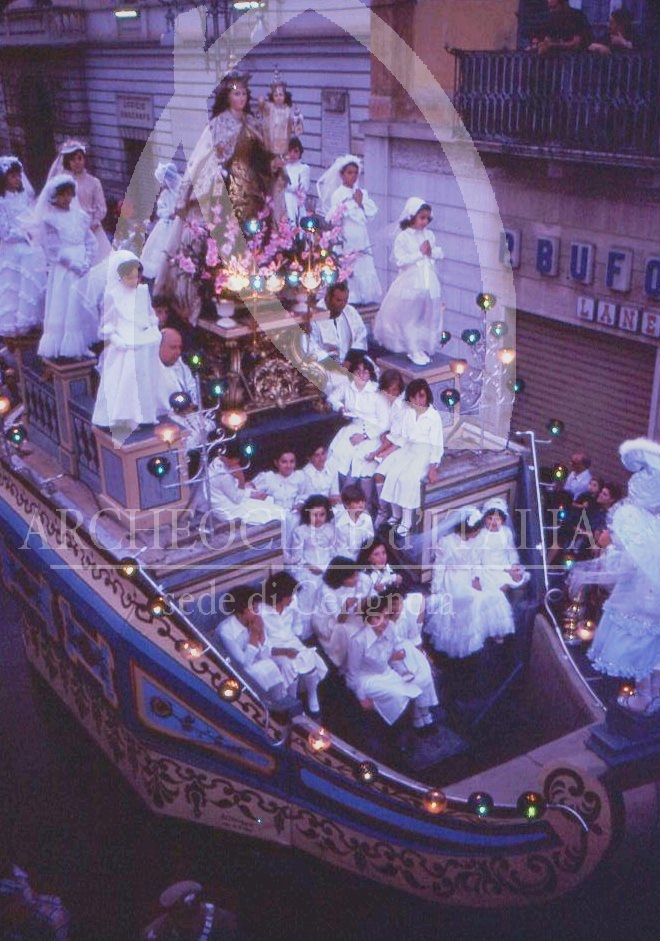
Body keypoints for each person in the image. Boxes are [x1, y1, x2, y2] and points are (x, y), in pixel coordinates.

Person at [570, 438, 660, 714]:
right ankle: (650, 697)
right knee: (650, 646)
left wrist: (592, 572)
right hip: (647, 594)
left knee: (644, 643)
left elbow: (626, 563)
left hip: (643, 597)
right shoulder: (649, 525)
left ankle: (647, 697)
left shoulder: (639, 525)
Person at [346, 594, 437, 732]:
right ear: (368, 618)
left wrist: (403, 671)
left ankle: (415, 722)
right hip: (367, 678)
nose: (384, 622)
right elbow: (352, 673)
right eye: (378, 617)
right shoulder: (358, 641)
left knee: (413, 684)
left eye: (386, 617)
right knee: (398, 696)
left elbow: (394, 654)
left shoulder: (391, 629)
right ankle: (396, 732)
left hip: (387, 672)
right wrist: (361, 698)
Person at [92, 251, 162, 429]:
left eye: (137, 278)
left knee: (142, 379)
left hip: (142, 340)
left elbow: (149, 314)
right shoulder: (112, 296)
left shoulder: (142, 292)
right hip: (123, 344)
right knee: (125, 381)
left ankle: (144, 415)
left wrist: (154, 327)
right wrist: (116, 340)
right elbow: (107, 326)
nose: (135, 281)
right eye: (130, 278)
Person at [373, 197, 444, 366]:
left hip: (428, 279)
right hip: (411, 281)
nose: (425, 222)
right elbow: (400, 260)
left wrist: (430, 252)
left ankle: (422, 345)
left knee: (428, 314)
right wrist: (420, 253)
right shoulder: (404, 237)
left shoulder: (429, 234)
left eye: (427, 218)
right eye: (421, 218)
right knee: (409, 315)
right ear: (412, 216)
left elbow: (438, 253)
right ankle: (412, 347)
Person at [35, 174, 97, 359]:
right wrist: (73, 265)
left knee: (81, 304)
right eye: (62, 195)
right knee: (66, 303)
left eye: (70, 194)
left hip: (82, 264)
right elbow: (53, 250)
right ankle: (65, 344)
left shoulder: (81, 216)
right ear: (54, 197)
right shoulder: (50, 220)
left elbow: (90, 241)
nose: (67, 199)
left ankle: (83, 342)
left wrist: (86, 261)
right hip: (65, 268)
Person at [376, 378, 444, 537]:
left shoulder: (433, 417)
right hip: (408, 448)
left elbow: (437, 445)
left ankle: (407, 521)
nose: (418, 400)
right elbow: (401, 437)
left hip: (425, 452)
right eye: (414, 397)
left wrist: (433, 468)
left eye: (421, 396)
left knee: (407, 478)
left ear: (427, 396)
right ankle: (396, 514)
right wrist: (385, 452)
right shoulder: (408, 412)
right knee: (392, 473)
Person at [316, 154, 382, 305]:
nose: (353, 176)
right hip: (347, 233)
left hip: (360, 233)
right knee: (350, 261)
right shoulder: (339, 194)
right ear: (342, 174)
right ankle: (350, 294)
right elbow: (334, 217)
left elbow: (370, 213)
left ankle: (364, 294)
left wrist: (360, 203)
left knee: (362, 260)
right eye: (349, 173)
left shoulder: (361, 193)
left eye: (355, 173)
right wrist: (345, 206)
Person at [259, 571, 328, 715]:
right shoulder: (261, 611)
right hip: (274, 648)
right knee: (288, 665)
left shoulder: (293, 601)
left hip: (291, 640)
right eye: (289, 596)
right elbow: (263, 644)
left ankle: (312, 695)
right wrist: (284, 651)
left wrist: (296, 639)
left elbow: (297, 623)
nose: (292, 598)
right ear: (277, 597)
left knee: (309, 657)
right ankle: (292, 699)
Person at [326, 355, 390, 488]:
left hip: (373, 433)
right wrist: (341, 407)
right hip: (353, 427)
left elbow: (384, 423)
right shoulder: (347, 386)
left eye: (365, 371)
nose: (361, 374)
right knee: (339, 453)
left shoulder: (377, 392)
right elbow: (331, 398)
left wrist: (365, 436)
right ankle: (335, 493)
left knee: (358, 459)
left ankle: (352, 496)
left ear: (370, 374)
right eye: (357, 371)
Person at [0, 155, 46, 336]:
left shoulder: (23, 197)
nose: (17, 179)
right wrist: (22, 234)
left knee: (36, 255)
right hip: (11, 245)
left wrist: (33, 230)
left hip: (27, 240)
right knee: (26, 257)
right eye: (12, 176)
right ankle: (15, 321)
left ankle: (33, 315)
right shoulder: (2, 202)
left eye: (18, 176)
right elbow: (4, 231)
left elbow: (31, 216)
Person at [215, 585, 286, 700]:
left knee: (281, 662)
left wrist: (261, 634)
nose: (257, 613)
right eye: (252, 609)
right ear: (239, 613)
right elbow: (243, 664)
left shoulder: (254, 621)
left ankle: (282, 700)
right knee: (266, 666)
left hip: (253, 662)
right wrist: (253, 636)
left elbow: (264, 654)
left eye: (257, 608)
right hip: (231, 671)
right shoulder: (226, 631)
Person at [47, 140, 111, 262]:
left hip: (92, 228)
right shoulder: (63, 183)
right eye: (73, 159)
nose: (77, 162)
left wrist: (92, 224)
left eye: (79, 158)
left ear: (84, 159)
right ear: (67, 161)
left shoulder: (94, 182)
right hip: (69, 230)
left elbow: (101, 208)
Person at [311, 555, 370, 670]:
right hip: (326, 622)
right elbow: (340, 619)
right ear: (341, 578)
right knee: (349, 630)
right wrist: (346, 606)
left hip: (345, 613)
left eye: (356, 575)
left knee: (365, 622)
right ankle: (347, 660)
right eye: (352, 577)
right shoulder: (326, 592)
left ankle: (363, 654)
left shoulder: (351, 582)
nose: (356, 579)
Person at [208, 440, 285, 526]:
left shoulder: (218, 461)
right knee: (272, 513)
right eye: (235, 460)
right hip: (229, 510)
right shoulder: (223, 475)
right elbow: (237, 499)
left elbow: (232, 490)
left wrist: (252, 494)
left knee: (268, 502)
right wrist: (241, 479)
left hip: (231, 500)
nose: (237, 463)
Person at [287, 494, 337, 621]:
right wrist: (309, 566)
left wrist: (328, 567)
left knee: (328, 592)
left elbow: (333, 552)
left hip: (327, 566)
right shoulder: (301, 531)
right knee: (310, 589)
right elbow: (297, 555)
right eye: (315, 515)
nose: (318, 518)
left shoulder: (331, 529)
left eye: (322, 515)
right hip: (308, 567)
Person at [141, 879, 237, 940]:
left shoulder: (223, 921)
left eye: (191, 918)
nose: (185, 925)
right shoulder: (155, 933)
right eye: (181, 919)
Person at [140, 162, 182, 280]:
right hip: (166, 224)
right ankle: (160, 271)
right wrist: (169, 214)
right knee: (161, 246)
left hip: (178, 224)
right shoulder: (164, 194)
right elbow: (160, 210)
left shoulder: (180, 192)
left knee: (176, 246)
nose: (163, 184)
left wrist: (178, 213)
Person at [310, 282, 368, 366]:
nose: (343, 305)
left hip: (349, 361)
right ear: (328, 298)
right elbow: (312, 348)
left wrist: (348, 361)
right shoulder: (315, 316)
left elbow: (361, 337)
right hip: (325, 365)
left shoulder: (350, 311)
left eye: (345, 301)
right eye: (338, 300)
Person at [258, 71, 304, 159]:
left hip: (284, 145)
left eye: (281, 95)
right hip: (270, 144)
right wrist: (261, 100)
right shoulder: (270, 107)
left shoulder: (288, 109)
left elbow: (296, 126)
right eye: (276, 95)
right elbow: (261, 104)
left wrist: (297, 118)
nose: (278, 97)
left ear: (285, 96)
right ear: (272, 97)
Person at [334, 483, 374, 560]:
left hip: (363, 559)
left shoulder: (367, 519)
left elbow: (370, 542)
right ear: (347, 505)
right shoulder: (340, 524)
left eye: (363, 501)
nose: (361, 505)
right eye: (357, 502)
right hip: (345, 561)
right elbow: (341, 550)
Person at [283, 136, 310, 225]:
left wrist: (288, 188)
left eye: (296, 151)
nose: (292, 154)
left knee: (294, 221)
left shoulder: (303, 168)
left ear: (300, 152)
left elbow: (303, 187)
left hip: (294, 200)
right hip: (282, 199)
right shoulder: (283, 167)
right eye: (289, 151)